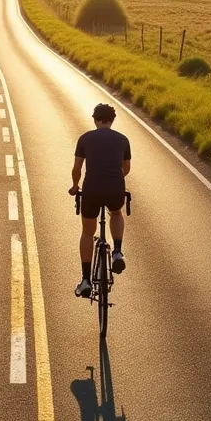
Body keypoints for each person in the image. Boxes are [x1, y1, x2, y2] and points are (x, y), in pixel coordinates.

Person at [69, 103, 131, 297]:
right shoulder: (123, 140)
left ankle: (86, 280)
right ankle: (118, 251)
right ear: (112, 120)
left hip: (92, 189)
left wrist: (75, 186)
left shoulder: (85, 138)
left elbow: (77, 168)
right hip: (114, 188)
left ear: (95, 119)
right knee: (115, 212)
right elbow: (126, 168)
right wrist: (115, 178)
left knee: (88, 232)